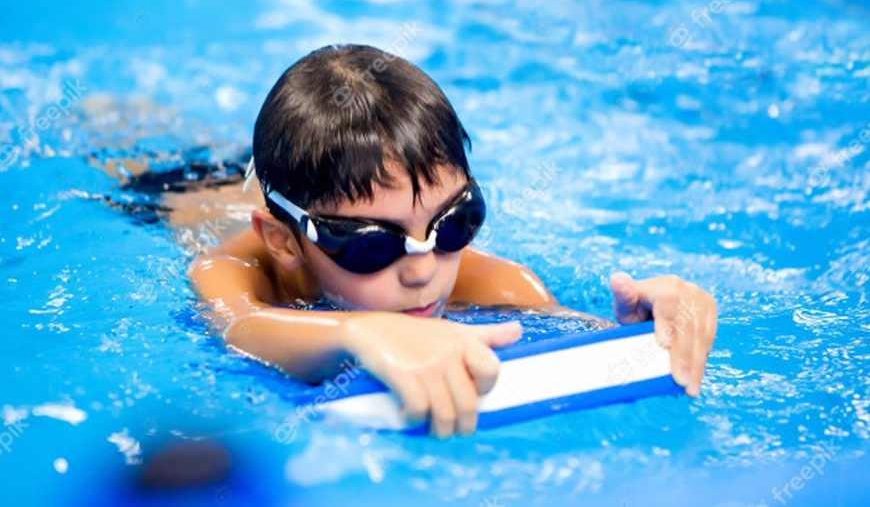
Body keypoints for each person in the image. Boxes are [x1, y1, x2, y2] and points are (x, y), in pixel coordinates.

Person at [187, 44, 718, 438]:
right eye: (372, 245)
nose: (422, 270)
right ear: (282, 241)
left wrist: (652, 325)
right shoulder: (234, 268)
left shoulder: (497, 282)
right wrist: (364, 334)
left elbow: (582, 346)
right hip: (178, 190)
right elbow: (238, 326)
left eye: (453, 224)